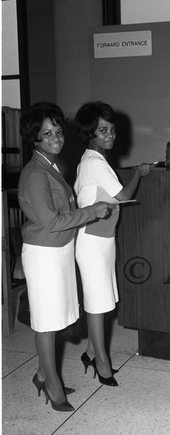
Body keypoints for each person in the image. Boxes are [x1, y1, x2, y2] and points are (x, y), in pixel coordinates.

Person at [18, 102, 110, 412]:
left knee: (58, 318)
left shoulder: (50, 166)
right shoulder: (34, 173)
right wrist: (91, 212)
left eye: (58, 131)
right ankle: (52, 385)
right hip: (44, 254)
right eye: (46, 133)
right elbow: (53, 221)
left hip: (58, 251)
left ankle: (43, 374)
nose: (55, 138)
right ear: (34, 138)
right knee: (46, 321)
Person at [74, 101, 151, 387]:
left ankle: (91, 353)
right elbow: (121, 197)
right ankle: (101, 363)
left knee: (105, 301)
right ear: (90, 134)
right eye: (103, 130)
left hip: (102, 239)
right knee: (97, 304)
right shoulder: (94, 162)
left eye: (112, 129)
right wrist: (140, 175)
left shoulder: (93, 159)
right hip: (92, 241)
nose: (110, 135)